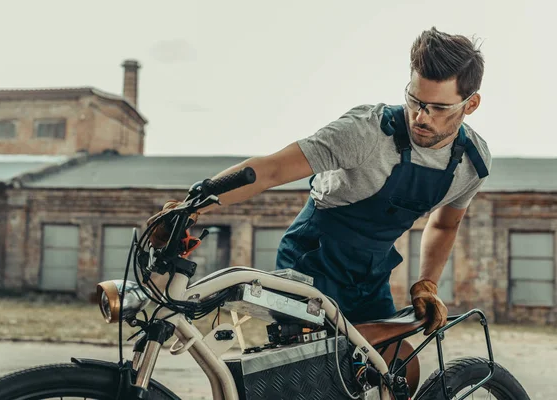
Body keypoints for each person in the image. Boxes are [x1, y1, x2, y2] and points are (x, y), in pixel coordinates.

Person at [148, 27, 491, 335]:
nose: (420, 116)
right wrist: (190, 208)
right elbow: (271, 170)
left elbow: (444, 226)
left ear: (470, 104)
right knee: (315, 374)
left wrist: (427, 284)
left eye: (438, 108)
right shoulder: (365, 133)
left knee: (394, 369)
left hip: (370, 276)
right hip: (312, 261)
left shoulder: (470, 163)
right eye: (414, 100)